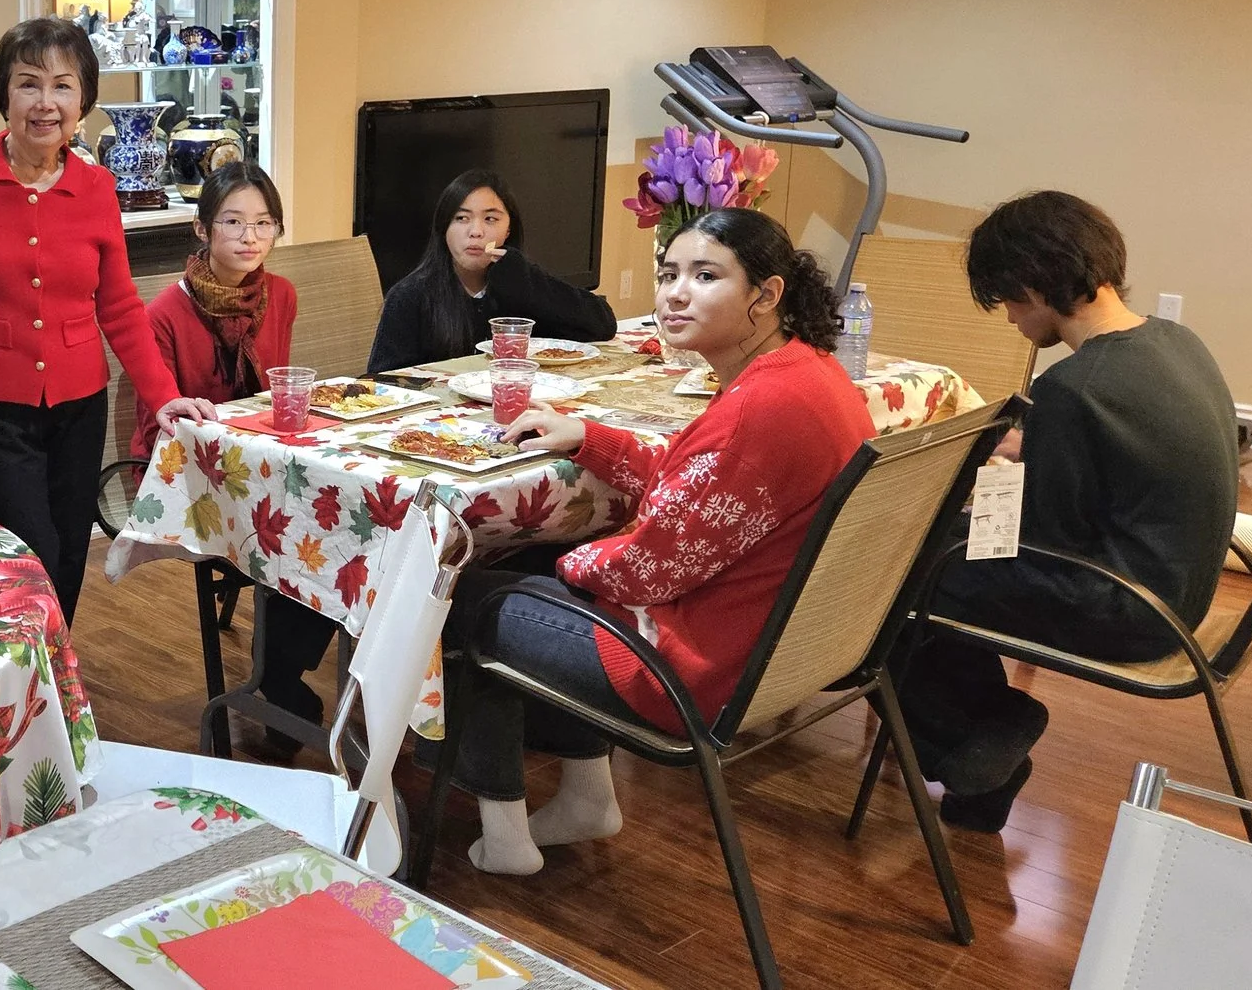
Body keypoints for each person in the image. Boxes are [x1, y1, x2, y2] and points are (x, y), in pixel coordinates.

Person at [446, 208, 871, 875]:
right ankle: (586, 797)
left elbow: (646, 568)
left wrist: (565, 560)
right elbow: (695, 474)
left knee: (457, 592)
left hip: (693, 666)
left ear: (767, 294)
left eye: (705, 276)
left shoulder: (758, 407)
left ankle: (503, 834)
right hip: (775, 648)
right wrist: (589, 438)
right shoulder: (806, 374)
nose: (675, 293)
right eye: (670, 274)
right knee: (538, 567)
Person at [897, 191, 1237, 831]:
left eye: (1007, 301)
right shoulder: (1171, 341)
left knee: (895, 573)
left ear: (1031, 286)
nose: (1009, 318)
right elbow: (1130, 456)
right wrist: (1032, 448)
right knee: (940, 548)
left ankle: (976, 739)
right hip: (1179, 588)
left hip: (1127, 609)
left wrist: (959, 503)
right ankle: (982, 749)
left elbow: (1044, 542)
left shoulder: (1073, 388)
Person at [0, 16, 216, 621]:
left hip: (80, 403)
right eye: (29, 84)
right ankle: (24, 662)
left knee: (69, 552)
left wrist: (163, 396)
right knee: (28, 550)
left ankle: (51, 665)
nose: (46, 103)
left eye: (63, 86)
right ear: (4, 94)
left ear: (83, 99)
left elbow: (118, 307)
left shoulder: (97, 187)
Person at [131, 162, 329, 740]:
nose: (250, 237)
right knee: (298, 529)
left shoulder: (280, 295)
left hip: (265, 461)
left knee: (334, 518)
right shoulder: (164, 313)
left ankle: (281, 674)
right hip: (193, 475)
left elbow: (272, 396)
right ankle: (282, 683)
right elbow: (158, 430)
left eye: (264, 223)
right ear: (202, 229)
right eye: (234, 222)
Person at [367, 170, 617, 374]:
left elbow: (602, 325)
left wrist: (529, 283)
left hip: (519, 405)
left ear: (508, 230)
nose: (476, 232)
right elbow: (382, 381)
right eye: (461, 218)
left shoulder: (521, 281)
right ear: (444, 228)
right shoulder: (410, 296)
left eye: (490, 219)